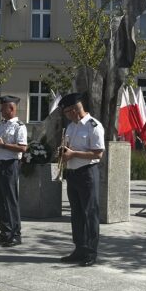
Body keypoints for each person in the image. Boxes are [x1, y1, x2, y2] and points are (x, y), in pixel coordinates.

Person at [58, 93, 105, 266]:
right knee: (76, 214)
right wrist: (63, 152)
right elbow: (68, 148)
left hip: (87, 174)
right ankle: (79, 248)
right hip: (73, 173)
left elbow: (98, 153)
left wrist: (73, 154)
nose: (67, 116)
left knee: (90, 213)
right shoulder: (71, 127)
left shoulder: (93, 126)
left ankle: (91, 252)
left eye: (67, 112)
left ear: (74, 110)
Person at [0, 95, 28, 247]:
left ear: (11, 108)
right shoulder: (1, 125)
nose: (0, 110)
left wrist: (3, 145)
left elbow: (23, 148)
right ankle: (4, 232)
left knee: (10, 200)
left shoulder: (19, 126)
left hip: (10, 165)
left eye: (3, 108)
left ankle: (15, 234)